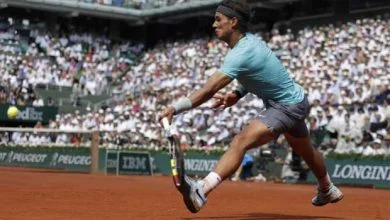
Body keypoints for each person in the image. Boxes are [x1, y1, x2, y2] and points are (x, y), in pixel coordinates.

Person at [158, 0, 343, 213]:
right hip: (296, 100)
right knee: (307, 152)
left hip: (286, 106)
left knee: (241, 141)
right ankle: (328, 188)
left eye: (218, 20)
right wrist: (237, 94)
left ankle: (201, 190)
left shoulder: (240, 54)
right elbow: (254, 75)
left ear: (234, 22)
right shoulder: (250, 43)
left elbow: (207, 90)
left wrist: (174, 108)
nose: (213, 25)